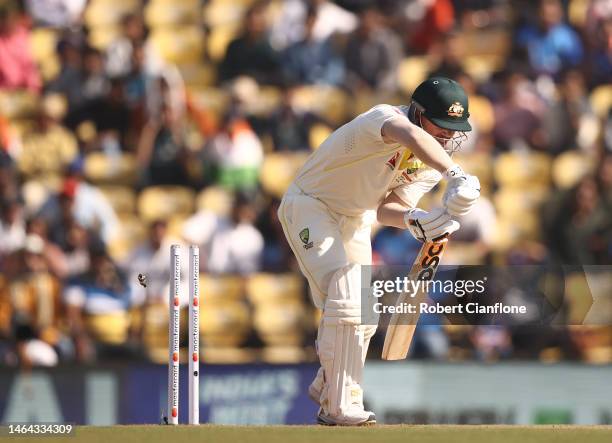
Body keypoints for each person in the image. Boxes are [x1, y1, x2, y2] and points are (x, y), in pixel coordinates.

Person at [278, 76, 480, 425]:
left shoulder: (431, 163)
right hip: (310, 205)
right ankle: (339, 407)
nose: (448, 135)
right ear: (417, 113)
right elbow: (411, 137)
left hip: (355, 219)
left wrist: (418, 220)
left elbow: (390, 207)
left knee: (365, 312)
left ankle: (330, 384)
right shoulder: (385, 118)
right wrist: (456, 173)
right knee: (346, 292)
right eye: (441, 124)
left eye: (454, 128)